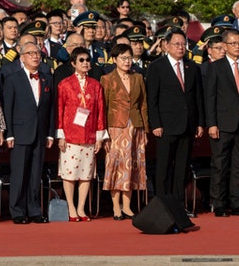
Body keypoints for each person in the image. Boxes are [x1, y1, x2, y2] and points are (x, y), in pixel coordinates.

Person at [204, 28, 239, 217]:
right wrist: (211, 123)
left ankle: (237, 202)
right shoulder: (215, 67)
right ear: (225, 46)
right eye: (233, 43)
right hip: (222, 124)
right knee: (220, 165)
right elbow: (210, 98)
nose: (237, 46)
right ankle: (218, 203)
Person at [145, 30, 203, 207]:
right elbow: (152, 99)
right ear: (166, 45)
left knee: (182, 167)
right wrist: (155, 123)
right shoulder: (157, 67)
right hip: (166, 124)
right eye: (176, 44)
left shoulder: (192, 67)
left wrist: (200, 123)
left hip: (187, 124)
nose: (180, 47)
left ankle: (178, 204)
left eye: (183, 44)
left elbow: (197, 97)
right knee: (163, 166)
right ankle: (162, 205)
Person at [3, 41, 56, 223]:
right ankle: (17, 212)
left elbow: (50, 109)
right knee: (19, 174)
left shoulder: (46, 78)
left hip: (40, 133)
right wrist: (9, 133)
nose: (35, 56)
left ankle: (34, 210)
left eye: (38, 54)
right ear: (22, 57)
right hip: (20, 133)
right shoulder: (12, 79)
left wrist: (50, 133)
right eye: (31, 53)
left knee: (35, 174)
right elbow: (7, 109)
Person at [55, 46, 106, 221]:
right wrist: (60, 135)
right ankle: (71, 208)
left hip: (90, 135)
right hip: (70, 135)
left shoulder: (96, 85)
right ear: (73, 63)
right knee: (70, 173)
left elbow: (100, 111)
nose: (85, 63)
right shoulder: (65, 84)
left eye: (87, 60)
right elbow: (59, 110)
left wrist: (100, 136)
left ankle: (82, 208)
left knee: (86, 174)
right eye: (81, 60)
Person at [101, 42, 148, 220]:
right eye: (123, 58)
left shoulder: (138, 78)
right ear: (114, 60)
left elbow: (143, 105)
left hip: (135, 127)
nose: (127, 61)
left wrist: (145, 129)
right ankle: (115, 207)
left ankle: (127, 206)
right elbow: (103, 107)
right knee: (116, 166)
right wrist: (103, 133)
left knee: (132, 167)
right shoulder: (107, 79)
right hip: (115, 127)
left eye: (129, 58)